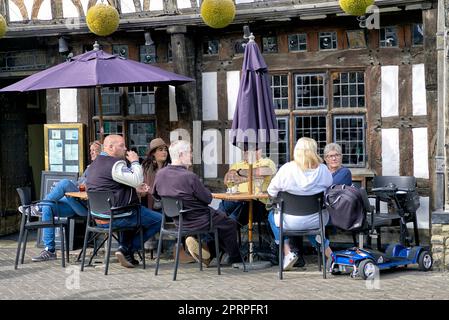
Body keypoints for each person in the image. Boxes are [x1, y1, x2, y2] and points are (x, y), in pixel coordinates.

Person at [152, 140, 242, 267]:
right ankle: (235, 259)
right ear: (181, 154)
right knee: (230, 224)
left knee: (221, 222)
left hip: (178, 221)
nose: (191, 156)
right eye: (190, 153)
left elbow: (156, 195)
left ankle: (208, 253)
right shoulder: (189, 177)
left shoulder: (160, 174)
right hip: (200, 219)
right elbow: (208, 199)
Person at [86, 135, 162, 268]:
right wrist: (134, 161)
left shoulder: (94, 164)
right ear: (110, 147)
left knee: (134, 214)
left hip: (98, 218)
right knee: (158, 219)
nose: (125, 148)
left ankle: (127, 253)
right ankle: (126, 249)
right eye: (121, 145)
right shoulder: (115, 163)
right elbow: (137, 179)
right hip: (118, 216)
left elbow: (112, 185)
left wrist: (135, 188)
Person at [27, 140, 102, 262]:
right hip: (76, 202)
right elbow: (80, 183)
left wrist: (82, 185)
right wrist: (79, 185)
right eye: (91, 151)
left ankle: (38, 207)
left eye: (95, 150)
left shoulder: (103, 168)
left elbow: (92, 185)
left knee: (65, 183)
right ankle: (50, 250)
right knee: (48, 207)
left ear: (102, 152)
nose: (92, 153)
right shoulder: (90, 168)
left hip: (87, 207)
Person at [267, 137, 333, 271]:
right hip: (316, 219)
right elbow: (329, 189)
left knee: (271, 216)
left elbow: (271, 191)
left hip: (289, 220)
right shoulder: (323, 170)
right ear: (314, 151)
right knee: (314, 228)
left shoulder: (287, 169)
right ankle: (331, 256)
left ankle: (287, 252)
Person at [219, 148, 277, 226]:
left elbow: (263, 171)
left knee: (230, 221)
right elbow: (227, 180)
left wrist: (239, 172)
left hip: (258, 204)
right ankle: (212, 235)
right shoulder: (237, 164)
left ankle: (217, 234)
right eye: (243, 148)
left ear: (258, 150)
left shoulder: (267, 162)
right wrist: (250, 176)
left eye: (248, 148)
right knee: (218, 216)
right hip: (235, 201)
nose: (244, 151)